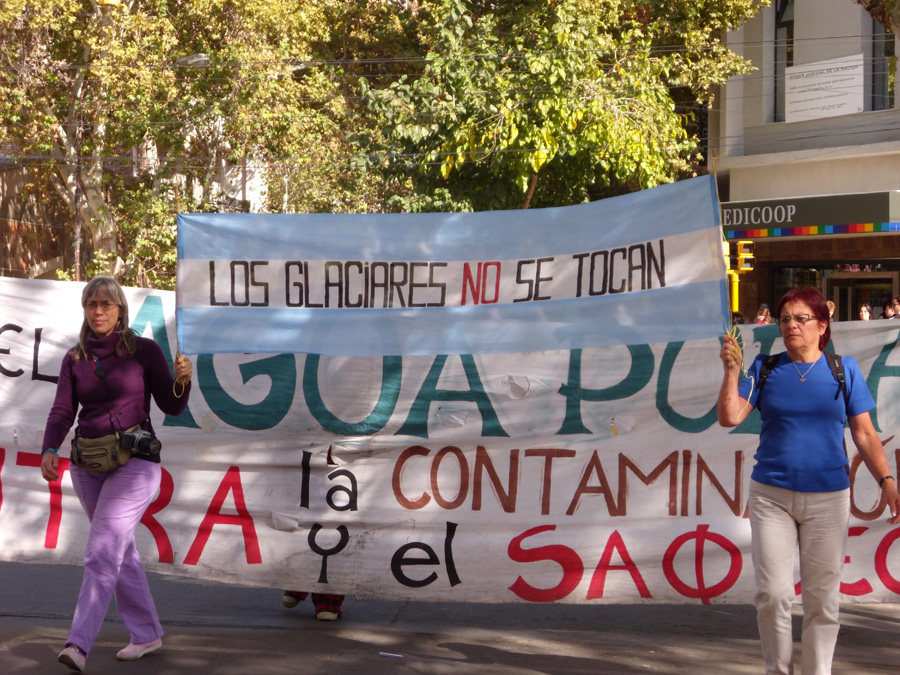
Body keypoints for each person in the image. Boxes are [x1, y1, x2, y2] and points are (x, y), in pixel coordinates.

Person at [717, 286, 900, 675]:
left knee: (822, 600)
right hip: (771, 497)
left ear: (822, 325)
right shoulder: (765, 367)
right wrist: (732, 371)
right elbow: (730, 416)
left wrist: (886, 479)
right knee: (773, 594)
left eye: (801, 318)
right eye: (784, 319)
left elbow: (865, 433)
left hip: (828, 499)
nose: (791, 326)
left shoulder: (843, 369)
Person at [41, 276, 193, 672]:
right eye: (91, 304)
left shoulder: (144, 351)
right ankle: (146, 633)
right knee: (119, 551)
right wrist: (49, 448)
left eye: (106, 304)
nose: (98, 311)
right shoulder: (74, 358)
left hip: (136, 465)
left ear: (120, 310)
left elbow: (172, 406)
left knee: (101, 551)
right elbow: (62, 412)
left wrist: (183, 381)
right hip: (87, 466)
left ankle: (78, 644)